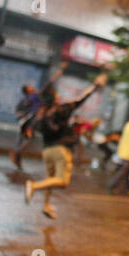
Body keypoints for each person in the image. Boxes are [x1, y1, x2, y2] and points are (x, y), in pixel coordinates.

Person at [24, 72, 108, 219]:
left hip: (47, 150)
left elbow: (28, 126)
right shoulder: (61, 109)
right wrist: (95, 86)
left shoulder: (41, 114)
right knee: (62, 181)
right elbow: (80, 99)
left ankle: (46, 206)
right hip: (60, 150)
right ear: (55, 97)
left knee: (50, 179)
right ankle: (33, 186)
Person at [9, 62, 69, 169]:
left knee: (23, 138)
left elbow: (19, 111)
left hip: (28, 120)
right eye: (30, 87)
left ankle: (17, 153)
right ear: (28, 90)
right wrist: (59, 72)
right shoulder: (34, 96)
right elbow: (49, 83)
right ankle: (17, 153)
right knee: (28, 138)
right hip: (35, 118)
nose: (32, 87)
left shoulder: (25, 99)